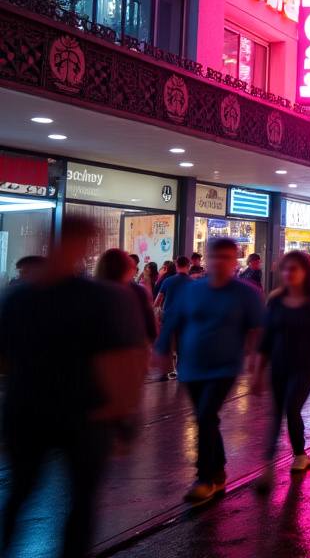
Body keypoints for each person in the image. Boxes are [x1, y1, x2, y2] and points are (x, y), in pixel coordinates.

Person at [0, 218, 146, 558]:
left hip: (27, 409)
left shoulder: (18, 296)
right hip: (86, 413)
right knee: (81, 499)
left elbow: (4, 358)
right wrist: (123, 418)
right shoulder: (103, 297)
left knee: (21, 491)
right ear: (85, 247)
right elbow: (117, 361)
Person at [153, 237, 266, 503]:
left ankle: (203, 478)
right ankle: (218, 466)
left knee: (204, 415)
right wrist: (160, 350)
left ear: (234, 261)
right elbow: (173, 320)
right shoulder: (193, 290)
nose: (218, 262)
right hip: (192, 366)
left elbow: (258, 332)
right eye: (214, 257)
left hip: (224, 366)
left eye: (225, 258)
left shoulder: (246, 293)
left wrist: (257, 368)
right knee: (207, 417)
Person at [253, 251, 310, 490]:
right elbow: (266, 338)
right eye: (286, 269)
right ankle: (268, 465)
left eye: (295, 269)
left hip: (306, 365)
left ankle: (299, 454)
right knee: (275, 412)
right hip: (280, 363)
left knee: (291, 407)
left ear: (305, 273)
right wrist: (257, 372)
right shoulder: (276, 299)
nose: (289, 274)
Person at [95, 248, 157, 345]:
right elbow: (151, 330)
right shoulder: (138, 291)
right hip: (131, 350)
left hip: (100, 351)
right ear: (126, 268)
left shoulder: (92, 292)